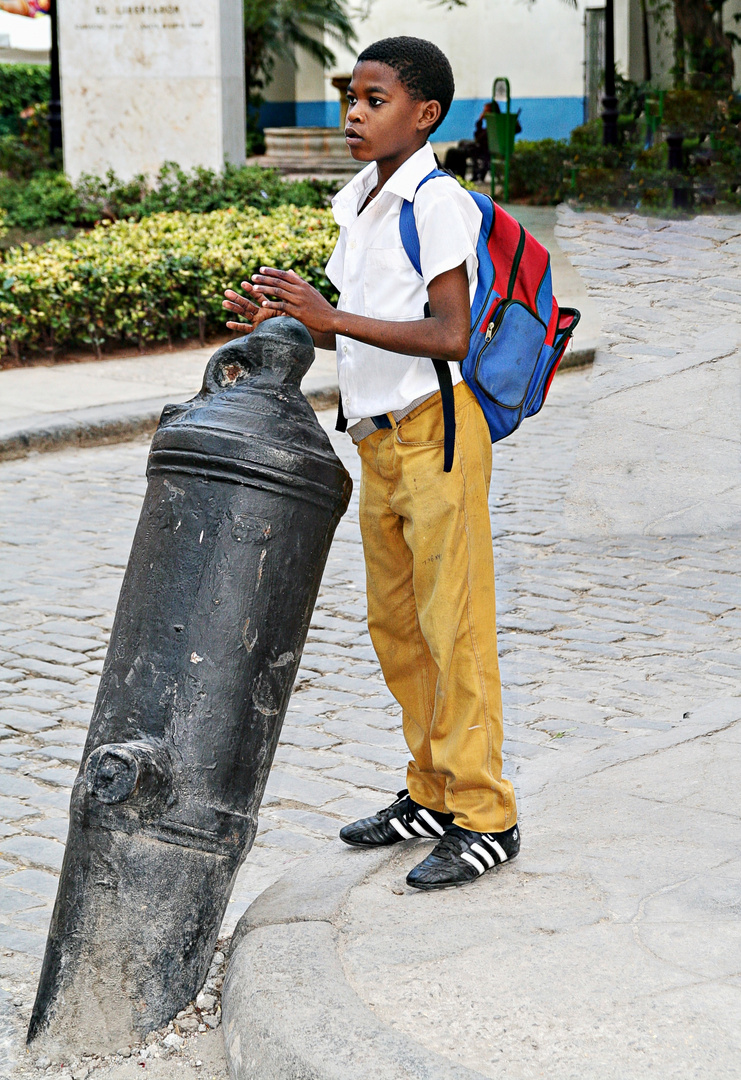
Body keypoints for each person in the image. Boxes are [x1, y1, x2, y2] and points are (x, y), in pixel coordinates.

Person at [223, 35, 519, 891]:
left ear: (423, 114)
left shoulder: (435, 202)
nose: (354, 112)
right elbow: (345, 321)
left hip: (436, 433)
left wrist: (335, 318)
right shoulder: (360, 201)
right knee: (399, 630)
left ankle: (486, 813)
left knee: (451, 628)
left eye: (375, 99)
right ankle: (430, 789)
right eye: (351, 97)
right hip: (376, 440)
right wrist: (288, 311)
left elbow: (450, 334)